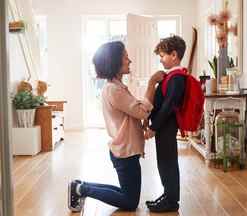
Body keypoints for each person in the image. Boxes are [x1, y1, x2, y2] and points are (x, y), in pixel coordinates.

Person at [67, 41, 164, 212]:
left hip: (125, 150)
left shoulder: (116, 87)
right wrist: (151, 84)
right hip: (125, 151)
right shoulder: (114, 90)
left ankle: (80, 186)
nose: (130, 61)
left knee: (127, 194)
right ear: (114, 62)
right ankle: (82, 189)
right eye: (126, 57)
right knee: (129, 201)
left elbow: (133, 112)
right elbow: (141, 111)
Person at [144, 35, 187, 212]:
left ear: (174, 55)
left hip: (167, 127)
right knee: (164, 162)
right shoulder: (171, 76)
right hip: (164, 127)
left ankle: (171, 200)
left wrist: (154, 127)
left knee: (168, 162)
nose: (161, 60)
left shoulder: (177, 78)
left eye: (162, 56)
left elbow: (169, 105)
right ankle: (168, 195)